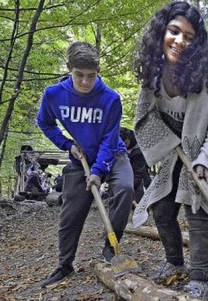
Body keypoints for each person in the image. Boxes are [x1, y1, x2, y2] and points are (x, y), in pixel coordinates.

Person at [131, 1, 208, 301]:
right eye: (174, 31)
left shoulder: (207, 82)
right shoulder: (152, 77)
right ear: (162, 33)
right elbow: (146, 117)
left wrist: (203, 162)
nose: (180, 41)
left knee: (197, 208)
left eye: (189, 37)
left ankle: (199, 280)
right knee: (160, 208)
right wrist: (171, 146)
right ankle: (174, 261)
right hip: (174, 153)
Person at [36, 41, 134, 288]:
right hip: (79, 159)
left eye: (91, 76)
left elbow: (110, 140)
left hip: (113, 155)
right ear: (69, 68)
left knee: (125, 188)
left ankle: (111, 248)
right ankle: (64, 265)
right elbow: (45, 123)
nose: (85, 82)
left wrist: (100, 171)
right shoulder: (54, 95)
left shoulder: (110, 98)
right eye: (79, 75)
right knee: (71, 214)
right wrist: (67, 145)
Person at [120, 127, 151, 204]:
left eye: (125, 143)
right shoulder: (115, 143)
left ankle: (142, 204)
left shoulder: (138, 149)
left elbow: (138, 173)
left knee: (141, 181)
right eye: (121, 143)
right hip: (125, 169)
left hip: (139, 169)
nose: (124, 145)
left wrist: (128, 188)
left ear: (129, 138)